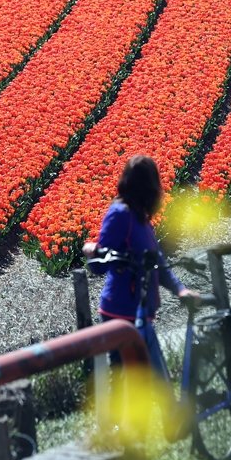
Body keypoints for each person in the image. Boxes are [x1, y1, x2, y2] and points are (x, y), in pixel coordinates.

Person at [83, 155, 197, 377]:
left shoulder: (141, 219)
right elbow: (99, 265)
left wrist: (180, 289)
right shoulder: (120, 214)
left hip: (141, 312)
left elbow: (157, 262)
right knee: (137, 381)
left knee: (151, 380)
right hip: (119, 313)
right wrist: (92, 253)